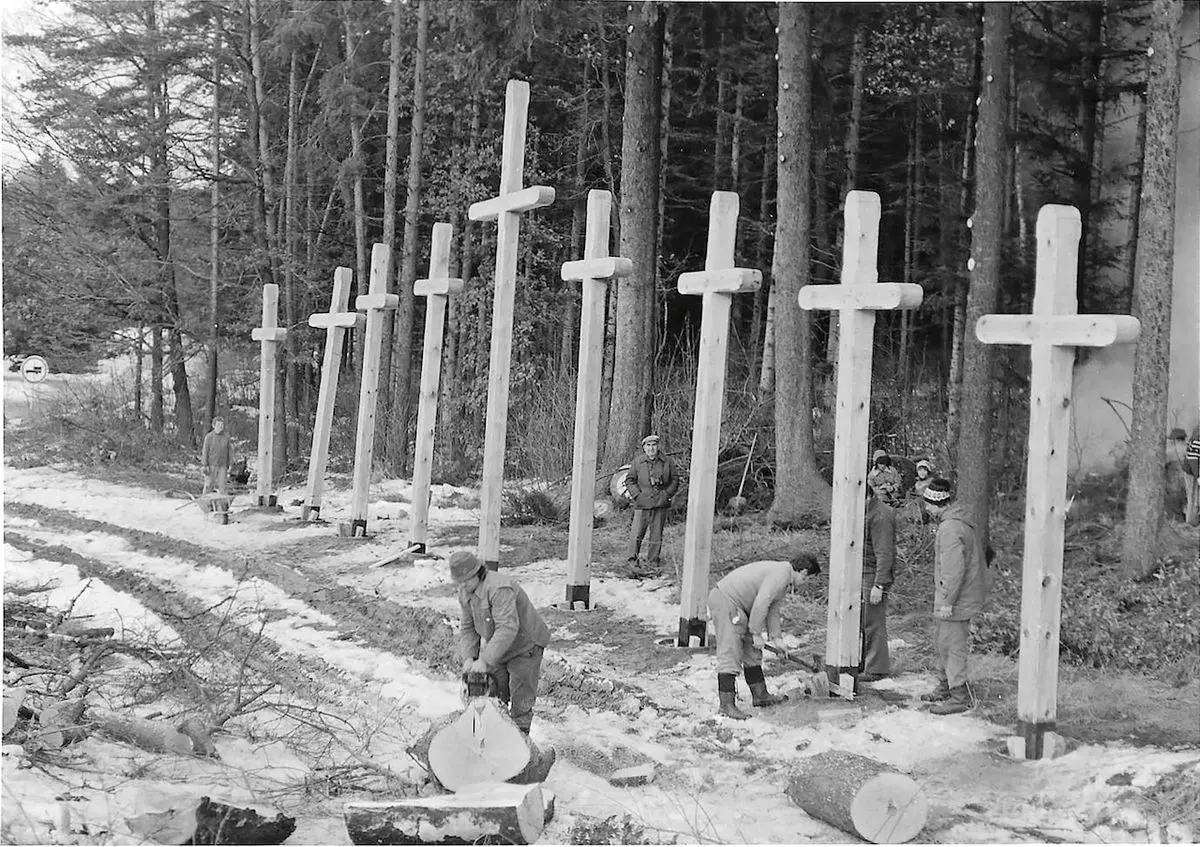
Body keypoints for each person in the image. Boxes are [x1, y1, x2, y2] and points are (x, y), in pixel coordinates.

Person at [707, 553, 821, 720]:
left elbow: (772, 610)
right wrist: (756, 633)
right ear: (803, 572)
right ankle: (726, 705)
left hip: (742, 608)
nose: (805, 583)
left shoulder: (784, 579)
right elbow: (761, 603)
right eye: (807, 579)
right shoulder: (781, 575)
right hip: (726, 601)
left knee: (753, 653)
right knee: (730, 652)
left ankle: (760, 695)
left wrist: (777, 639)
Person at [451, 550, 551, 735]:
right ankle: (494, 737)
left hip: (525, 644)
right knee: (495, 695)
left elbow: (508, 628)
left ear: (478, 572)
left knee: (521, 697)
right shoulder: (465, 592)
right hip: (499, 644)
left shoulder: (499, 588)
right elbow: (468, 628)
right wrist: (469, 658)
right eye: (460, 581)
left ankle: (521, 741)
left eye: (467, 580)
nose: (464, 585)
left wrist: (485, 661)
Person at [920, 478, 992, 715]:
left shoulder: (950, 527)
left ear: (936, 503)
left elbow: (953, 570)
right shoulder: (957, 523)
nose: (926, 509)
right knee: (944, 642)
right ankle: (945, 686)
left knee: (953, 646)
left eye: (928, 504)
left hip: (957, 598)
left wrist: (947, 602)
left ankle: (959, 695)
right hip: (959, 595)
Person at [624, 434, 680, 575]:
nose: (651, 448)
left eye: (653, 445)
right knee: (636, 533)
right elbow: (629, 480)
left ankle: (653, 564)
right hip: (642, 504)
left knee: (656, 535)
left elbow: (674, 480)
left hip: (660, 503)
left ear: (658, 446)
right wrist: (637, 495)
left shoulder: (667, 461)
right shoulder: (637, 462)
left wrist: (666, 494)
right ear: (644, 447)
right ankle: (632, 562)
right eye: (648, 446)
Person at [859, 481, 897, 682]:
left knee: (873, 622)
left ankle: (877, 669)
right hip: (862, 572)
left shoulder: (880, 516)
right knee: (862, 620)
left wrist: (879, 584)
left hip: (873, 574)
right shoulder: (865, 510)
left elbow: (884, 553)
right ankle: (863, 663)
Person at [201, 417, 232, 495]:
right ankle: (205, 501)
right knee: (208, 485)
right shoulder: (209, 437)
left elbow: (230, 451)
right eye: (218, 425)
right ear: (213, 426)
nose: (220, 427)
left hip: (223, 465)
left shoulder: (226, 437)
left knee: (223, 486)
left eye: (222, 425)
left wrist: (230, 464)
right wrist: (205, 465)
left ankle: (223, 503)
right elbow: (205, 451)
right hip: (211, 465)